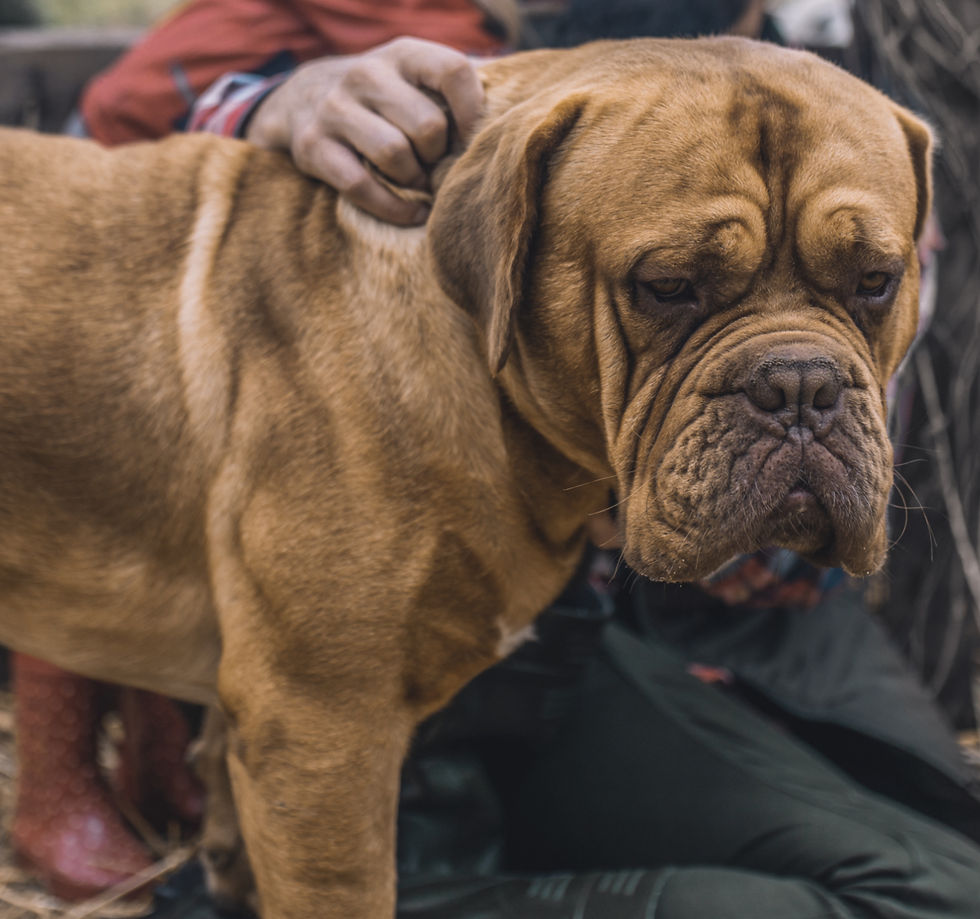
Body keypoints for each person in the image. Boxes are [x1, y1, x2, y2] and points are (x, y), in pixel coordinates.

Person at [18, 2, 980, 916]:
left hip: (689, 614)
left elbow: (778, 569)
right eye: (676, 287)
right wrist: (284, 96)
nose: (799, 381)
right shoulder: (469, 118)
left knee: (943, 825)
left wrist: (750, 464)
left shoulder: (848, 123)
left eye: (865, 285)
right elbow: (159, 129)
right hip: (545, 652)